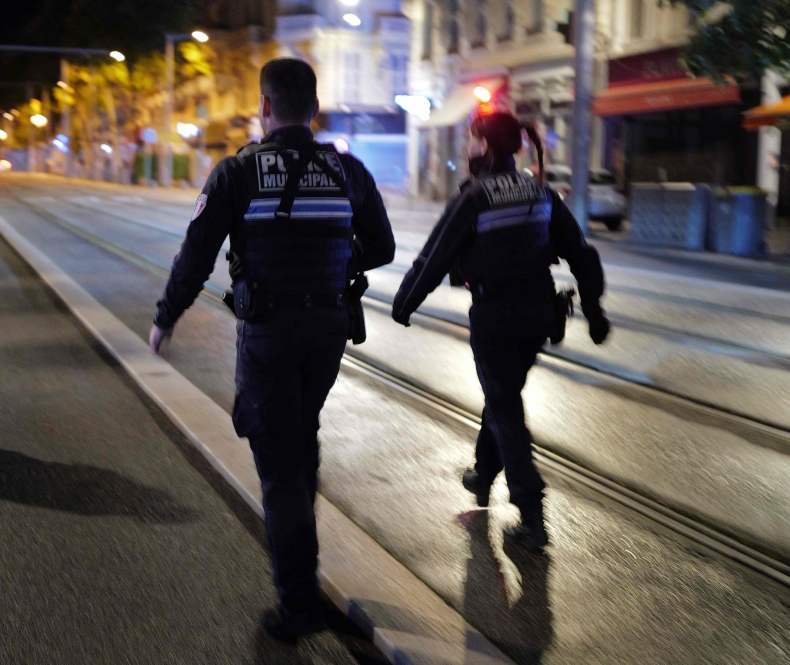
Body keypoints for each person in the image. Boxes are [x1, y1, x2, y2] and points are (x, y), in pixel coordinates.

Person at [149, 58, 395, 641]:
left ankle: (298, 606)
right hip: (329, 333)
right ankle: (303, 574)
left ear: (264, 108)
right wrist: (338, 262)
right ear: (313, 109)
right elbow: (381, 246)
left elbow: (196, 255)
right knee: (300, 444)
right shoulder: (347, 170)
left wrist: (166, 318)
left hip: (269, 334)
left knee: (281, 466)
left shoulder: (238, 173)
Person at [391, 109, 610, 551]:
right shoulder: (541, 191)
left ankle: (532, 515)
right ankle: (482, 471)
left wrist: (404, 303)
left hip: (496, 316)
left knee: (505, 406)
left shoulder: (476, 197)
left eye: (472, 141)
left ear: (485, 147)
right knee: (503, 392)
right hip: (538, 316)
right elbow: (581, 254)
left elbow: (433, 257)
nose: (468, 149)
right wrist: (595, 309)